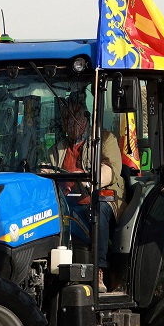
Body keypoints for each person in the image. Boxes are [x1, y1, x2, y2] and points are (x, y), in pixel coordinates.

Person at [43, 98, 123, 291]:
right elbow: (47, 169)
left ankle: (98, 271)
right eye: (66, 119)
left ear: (85, 118)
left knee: (100, 208)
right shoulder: (57, 148)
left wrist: (89, 179)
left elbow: (111, 170)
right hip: (66, 204)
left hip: (97, 200)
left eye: (74, 117)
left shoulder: (105, 140)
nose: (70, 123)